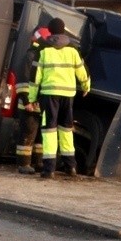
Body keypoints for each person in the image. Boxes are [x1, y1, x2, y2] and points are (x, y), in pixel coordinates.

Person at [29, 17, 90, 179]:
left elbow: (35, 77)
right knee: (66, 130)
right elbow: (82, 71)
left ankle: (49, 169)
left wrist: (32, 97)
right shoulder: (73, 49)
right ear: (63, 30)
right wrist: (85, 87)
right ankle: (71, 167)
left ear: (49, 31)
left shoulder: (43, 48)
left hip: (49, 95)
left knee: (49, 131)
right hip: (68, 96)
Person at [15, 27, 50, 174]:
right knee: (27, 135)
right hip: (28, 104)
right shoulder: (31, 56)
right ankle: (24, 164)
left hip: (38, 104)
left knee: (39, 138)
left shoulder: (40, 55)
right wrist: (26, 101)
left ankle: (38, 162)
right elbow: (23, 80)